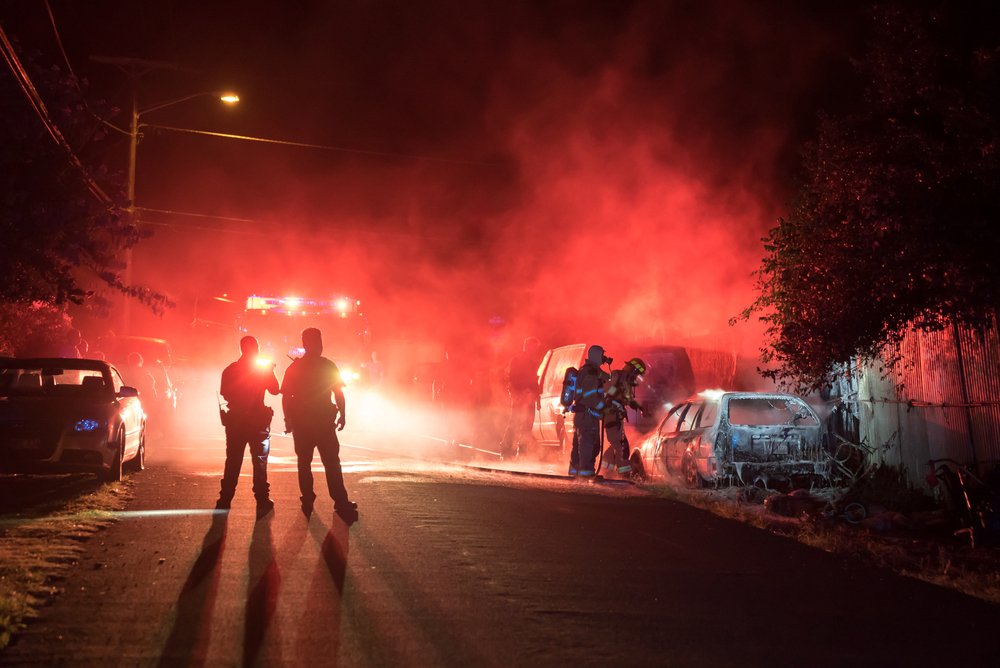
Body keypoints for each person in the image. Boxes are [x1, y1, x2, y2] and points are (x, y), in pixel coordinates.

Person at [280, 327, 358, 524]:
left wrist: (288, 419)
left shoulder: (295, 368)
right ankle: (340, 501)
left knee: (304, 463)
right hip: (323, 423)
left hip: (302, 423)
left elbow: (286, 397)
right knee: (331, 463)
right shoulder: (327, 365)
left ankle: (307, 500)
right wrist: (342, 413)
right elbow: (338, 392)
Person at [216, 336, 279, 516]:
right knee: (259, 461)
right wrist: (270, 371)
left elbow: (225, 394)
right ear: (256, 349)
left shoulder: (230, 370)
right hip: (258, 420)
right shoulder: (262, 370)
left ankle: (225, 499)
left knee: (233, 461)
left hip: (236, 420)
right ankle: (262, 499)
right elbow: (275, 389)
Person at [569, 344, 612, 477]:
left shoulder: (589, 370)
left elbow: (607, 379)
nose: (603, 358)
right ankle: (586, 474)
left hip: (583, 416)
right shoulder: (590, 373)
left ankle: (575, 474)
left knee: (579, 447)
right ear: (596, 356)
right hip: (587, 416)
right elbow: (590, 396)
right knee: (589, 446)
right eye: (601, 356)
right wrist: (603, 407)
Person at [601, 358, 648, 477]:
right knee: (622, 446)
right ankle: (624, 475)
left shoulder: (626, 381)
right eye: (637, 374)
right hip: (612, 415)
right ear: (633, 370)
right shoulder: (617, 376)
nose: (637, 377)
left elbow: (627, 399)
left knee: (617, 444)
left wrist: (639, 407)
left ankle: (606, 470)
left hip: (617, 416)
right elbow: (609, 392)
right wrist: (611, 399)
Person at [499, 336, 542, 459]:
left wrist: (536, 397)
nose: (535, 350)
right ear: (527, 347)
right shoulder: (516, 360)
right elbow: (512, 379)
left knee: (527, 426)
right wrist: (520, 392)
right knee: (514, 423)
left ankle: (521, 452)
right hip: (520, 397)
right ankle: (506, 451)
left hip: (530, 398)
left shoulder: (534, 362)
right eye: (533, 347)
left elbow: (534, 381)